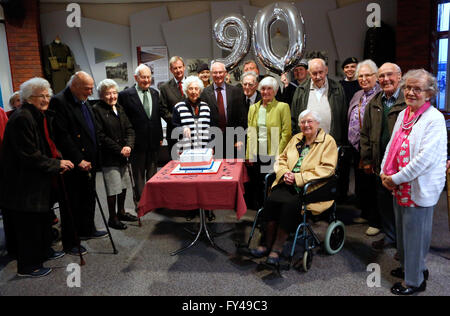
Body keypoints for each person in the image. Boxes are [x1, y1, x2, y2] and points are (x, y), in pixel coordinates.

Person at [380, 69, 446, 295]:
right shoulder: (404, 114)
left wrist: (394, 178)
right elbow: (391, 146)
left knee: (416, 236)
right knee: (404, 233)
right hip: (399, 186)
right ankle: (412, 268)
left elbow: (424, 159)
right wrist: (383, 172)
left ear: (429, 93)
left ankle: (415, 282)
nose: (410, 92)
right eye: (407, 87)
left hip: (417, 187)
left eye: (416, 88)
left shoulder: (434, 119)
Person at [0, 77, 74, 277]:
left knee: (42, 221)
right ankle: (28, 266)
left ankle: (43, 252)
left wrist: (57, 160)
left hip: (37, 181)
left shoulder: (37, 115)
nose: (45, 99)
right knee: (29, 227)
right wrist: (56, 164)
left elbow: (46, 145)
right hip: (23, 184)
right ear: (27, 98)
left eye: (47, 95)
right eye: (40, 96)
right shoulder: (23, 118)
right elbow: (29, 155)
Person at [249, 110, 338, 267]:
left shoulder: (328, 142)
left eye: (309, 121)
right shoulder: (296, 138)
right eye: (303, 122)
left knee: (289, 205)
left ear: (318, 123)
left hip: (310, 188)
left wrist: (298, 178)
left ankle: (277, 248)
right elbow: (281, 158)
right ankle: (266, 244)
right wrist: (284, 174)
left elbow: (327, 169)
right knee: (270, 201)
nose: (306, 125)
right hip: (287, 181)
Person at [50, 71, 108, 256]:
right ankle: (71, 241)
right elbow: (63, 136)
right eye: (87, 88)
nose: (90, 92)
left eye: (91, 88)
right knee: (72, 204)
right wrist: (78, 159)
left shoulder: (82, 99)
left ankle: (87, 229)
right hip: (75, 163)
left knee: (89, 197)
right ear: (74, 85)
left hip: (90, 160)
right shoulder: (60, 101)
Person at [360, 62, 407, 251]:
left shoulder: (407, 101)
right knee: (384, 202)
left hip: (402, 165)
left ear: (399, 77)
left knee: (402, 204)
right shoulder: (375, 102)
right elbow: (365, 133)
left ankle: (403, 244)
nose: (386, 79)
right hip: (381, 163)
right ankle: (390, 236)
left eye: (390, 75)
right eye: (382, 76)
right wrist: (368, 159)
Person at [93, 79, 136, 230]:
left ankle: (122, 211)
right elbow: (101, 136)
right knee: (113, 188)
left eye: (114, 92)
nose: (112, 96)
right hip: (109, 157)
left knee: (123, 185)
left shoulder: (119, 107)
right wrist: (119, 149)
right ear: (101, 95)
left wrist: (128, 146)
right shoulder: (97, 110)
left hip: (123, 155)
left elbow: (130, 129)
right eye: (108, 93)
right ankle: (113, 218)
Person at [246, 76, 291, 209]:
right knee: (259, 185)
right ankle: (262, 213)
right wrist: (249, 154)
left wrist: (279, 154)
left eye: (269, 89)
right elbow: (250, 132)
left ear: (275, 91)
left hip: (274, 154)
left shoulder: (282, 107)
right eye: (263, 89)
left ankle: (272, 215)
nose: (266, 92)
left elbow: (286, 133)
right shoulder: (253, 108)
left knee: (272, 185)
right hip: (258, 153)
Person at [347, 59, 382, 236]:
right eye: (361, 76)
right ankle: (366, 213)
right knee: (361, 183)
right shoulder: (358, 94)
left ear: (376, 76)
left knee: (374, 184)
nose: (364, 78)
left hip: (372, 148)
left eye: (368, 75)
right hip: (356, 146)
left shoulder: (381, 95)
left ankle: (376, 220)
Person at [118, 64, 163, 200]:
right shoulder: (125, 95)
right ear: (136, 78)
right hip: (136, 143)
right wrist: (127, 142)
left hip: (153, 141)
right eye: (143, 77)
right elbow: (123, 121)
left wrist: (160, 136)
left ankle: (152, 200)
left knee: (152, 173)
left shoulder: (155, 93)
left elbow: (156, 117)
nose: (146, 80)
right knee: (138, 175)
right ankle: (141, 201)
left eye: (149, 77)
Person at [200, 61, 246, 158]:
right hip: (213, 141)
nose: (218, 75)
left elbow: (241, 117)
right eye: (215, 72)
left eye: (220, 72)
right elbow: (203, 121)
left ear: (225, 73)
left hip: (233, 140)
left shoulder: (236, 91)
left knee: (233, 170)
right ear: (211, 74)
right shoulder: (204, 93)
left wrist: (240, 138)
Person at [159, 56, 187, 152]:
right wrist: (179, 123)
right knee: (175, 164)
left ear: (184, 67)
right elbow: (163, 110)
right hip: (174, 133)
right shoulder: (164, 88)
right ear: (171, 70)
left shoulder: (193, 84)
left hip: (192, 133)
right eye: (175, 68)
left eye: (180, 67)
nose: (178, 70)